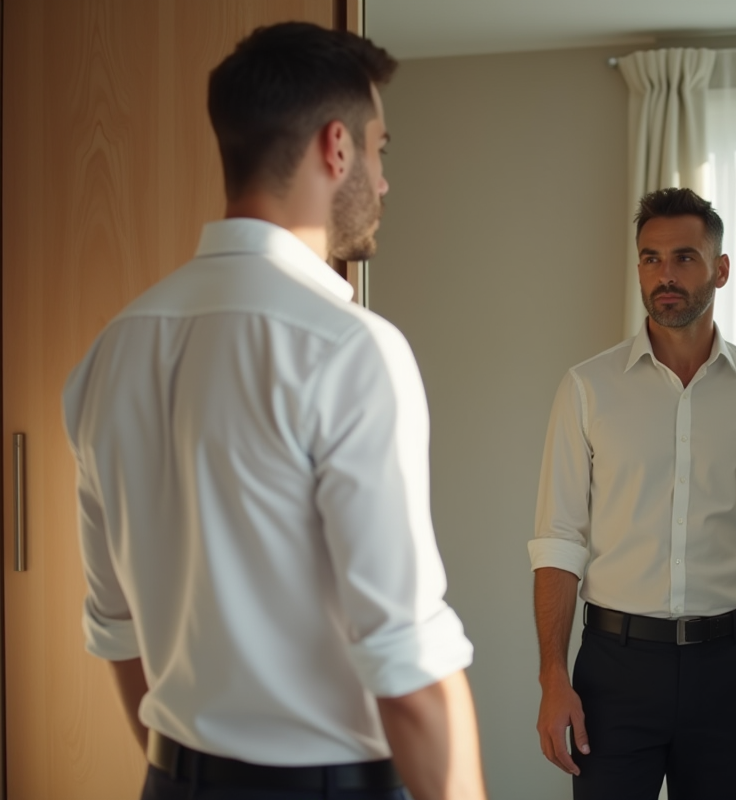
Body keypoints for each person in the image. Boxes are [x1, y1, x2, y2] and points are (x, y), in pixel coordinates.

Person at [63, 22, 486, 800]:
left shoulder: (108, 354)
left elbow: (117, 632)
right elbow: (410, 668)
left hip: (171, 778)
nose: (384, 180)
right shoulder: (348, 349)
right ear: (336, 148)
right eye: (379, 148)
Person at [530, 187, 736, 799]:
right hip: (614, 671)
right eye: (650, 259)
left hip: (729, 668)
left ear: (720, 269)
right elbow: (559, 541)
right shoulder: (587, 389)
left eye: (684, 258)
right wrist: (552, 678)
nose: (664, 275)